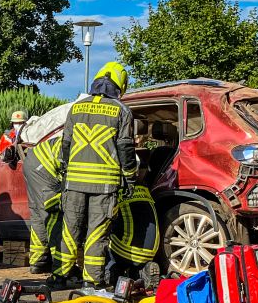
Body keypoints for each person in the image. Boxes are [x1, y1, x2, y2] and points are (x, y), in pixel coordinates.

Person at [54, 62, 136, 287]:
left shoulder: (76, 108)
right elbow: (126, 148)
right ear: (120, 85)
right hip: (105, 186)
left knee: (70, 230)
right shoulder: (121, 110)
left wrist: (66, 173)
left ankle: (61, 275)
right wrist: (130, 177)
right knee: (97, 233)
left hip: (75, 182)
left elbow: (66, 144)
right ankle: (91, 281)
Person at [21, 132, 63, 275]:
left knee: (38, 215)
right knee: (52, 214)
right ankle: (60, 265)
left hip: (33, 162)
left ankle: (39, 261)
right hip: (43, 167)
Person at [106, 184, 160, 283]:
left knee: (99, 237)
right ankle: (143, 271)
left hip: (126, 250)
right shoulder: (145, 191)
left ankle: (112, 271)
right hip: (151, 251)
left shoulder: (114, 194)